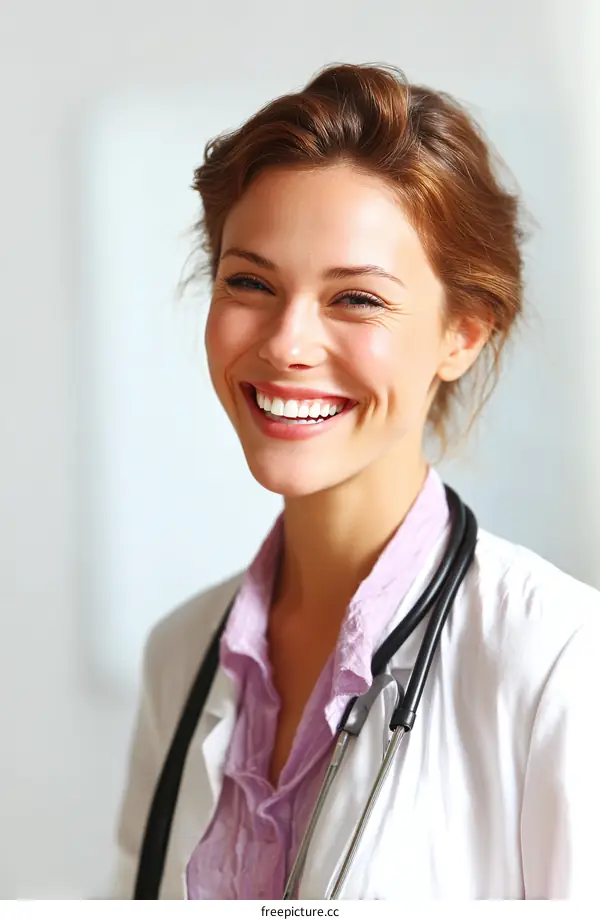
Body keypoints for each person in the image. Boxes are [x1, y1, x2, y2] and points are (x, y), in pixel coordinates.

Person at [111, 63, 600, 900]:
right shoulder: (180, 657)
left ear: (462, 335)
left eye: (357, 301)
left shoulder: (558, 660)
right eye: (250, 283)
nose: (287, 344)